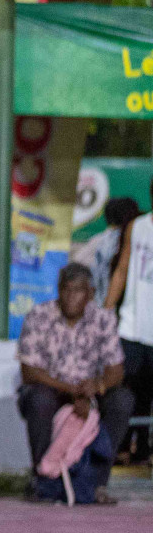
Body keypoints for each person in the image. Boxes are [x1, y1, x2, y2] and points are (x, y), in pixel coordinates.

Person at [17, 263, 130, 504]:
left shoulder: (102, 320)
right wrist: (73, 391)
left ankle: (97, 483)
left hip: (91, 390)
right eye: (65, 290)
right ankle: (43, 478)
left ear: (90, 293)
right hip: (53, 388)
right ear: (58, 290)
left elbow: (116, 370)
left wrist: (96, 388)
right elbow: (29, 371)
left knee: (122, 400)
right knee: (39, 399)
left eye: (78, 291)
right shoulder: (40, 315)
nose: (70, 297)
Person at [107, 185, 153, 464]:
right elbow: (122, 269)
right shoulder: (137, 227)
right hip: (132, 324)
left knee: (148, 392)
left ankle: (145, 449)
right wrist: (107, 308)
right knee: (125, 388)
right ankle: (121, 447)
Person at [74, 197, 140, 306]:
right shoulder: (128, 239)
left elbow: (77, 262)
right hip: (118, 305)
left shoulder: (99, 240)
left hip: (100, 303)